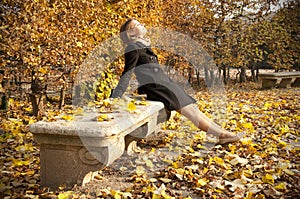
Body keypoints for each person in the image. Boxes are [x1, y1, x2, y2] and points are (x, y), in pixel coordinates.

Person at [111, 18, 244, 144]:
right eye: (137, 25)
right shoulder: (132, 48)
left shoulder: (143, 45)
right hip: (157, 88)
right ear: (130, 32)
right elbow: (127, 73)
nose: (142, 25)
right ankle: (222, 135)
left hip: (166, 84)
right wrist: (116, 96)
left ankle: (222, 133)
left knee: (193, 109)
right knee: (191, 112)